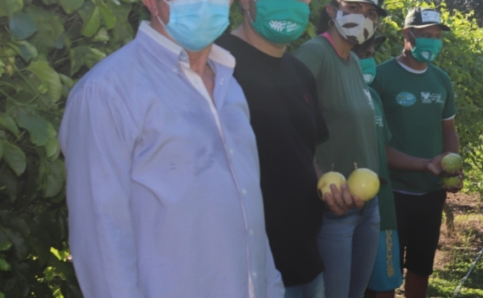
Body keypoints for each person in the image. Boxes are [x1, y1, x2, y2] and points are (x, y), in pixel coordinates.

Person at [58, 0, 285, 297]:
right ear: (151, 2)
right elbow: (102, 240)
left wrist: (271, 287)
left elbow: (247, 209)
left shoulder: (230, 86)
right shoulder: (107, 92)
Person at [214, 0, 329, 297]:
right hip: (246, 271)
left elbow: (305, 159)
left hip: (305, 260)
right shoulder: (215, 64)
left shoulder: (301, 73)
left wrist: (329, 189)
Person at [293, 1, 387, 297]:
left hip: (366, 205)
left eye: (372, 14)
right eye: (356, 7)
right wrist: (316, 172)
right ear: (332, 10)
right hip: (333, 207)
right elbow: (289, 124)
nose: (364, 18)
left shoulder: (355, 61)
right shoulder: (314, 55)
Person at [369, 7, 461, 298]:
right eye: (425, 36)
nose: (432, 42)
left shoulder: (441, 79)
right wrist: (425, 165)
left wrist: (453, 168)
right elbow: (375, 145)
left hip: (431, 193)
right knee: (386, 274)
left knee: (421, 268)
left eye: (436, 37)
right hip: (391, 194)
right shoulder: (381, 78)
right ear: (407, 35)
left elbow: (449, 130)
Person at [351, 35, 405, 298]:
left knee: (383, 287)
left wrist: (427, 164)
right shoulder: (324, 95)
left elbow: (383, 151)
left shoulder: (373, 96)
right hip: (339, 212)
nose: (367, 61)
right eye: (360, 54)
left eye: (370, 53)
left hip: (381, 210)